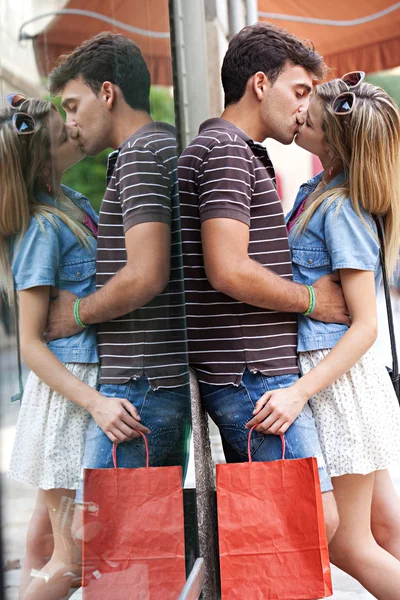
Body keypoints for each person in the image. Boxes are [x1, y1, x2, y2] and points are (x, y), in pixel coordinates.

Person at [178, 22, 350, 540]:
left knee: (286, 536)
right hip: (252, 378)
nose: (305, 107)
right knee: (309, 529)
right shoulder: (229, 152)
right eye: (299, 91)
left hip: (252, 377)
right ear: (259, 85)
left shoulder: (229, 150)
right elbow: (227, 269)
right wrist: (311, 301)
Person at [249, 75, 400, 599]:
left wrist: (298, 392)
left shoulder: (340, 207)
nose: (302, 109)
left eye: (313, 110)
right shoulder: (320, 192)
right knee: (386, 533)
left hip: (337, 387)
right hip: (342, 383)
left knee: (350, 546)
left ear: (336, 139)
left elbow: (365, 326)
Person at [45, 32, 190, 491]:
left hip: (139, 385)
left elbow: (146, 274)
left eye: (72, 105)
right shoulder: (165, 143)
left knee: (104, 540)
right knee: (148, 541)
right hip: (158, 380)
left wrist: (75, 315)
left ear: (107, 93)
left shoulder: (140, 156)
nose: (69, 122)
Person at [0, 97, 132, 599]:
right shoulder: (41, 226)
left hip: (78, 393)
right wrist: (95, 402)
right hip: (73, 401)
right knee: (73, 559)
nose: (76, 129)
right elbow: (31, 345)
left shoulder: (72, 203)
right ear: (43, 157)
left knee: (42, 535)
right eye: (64, 131)